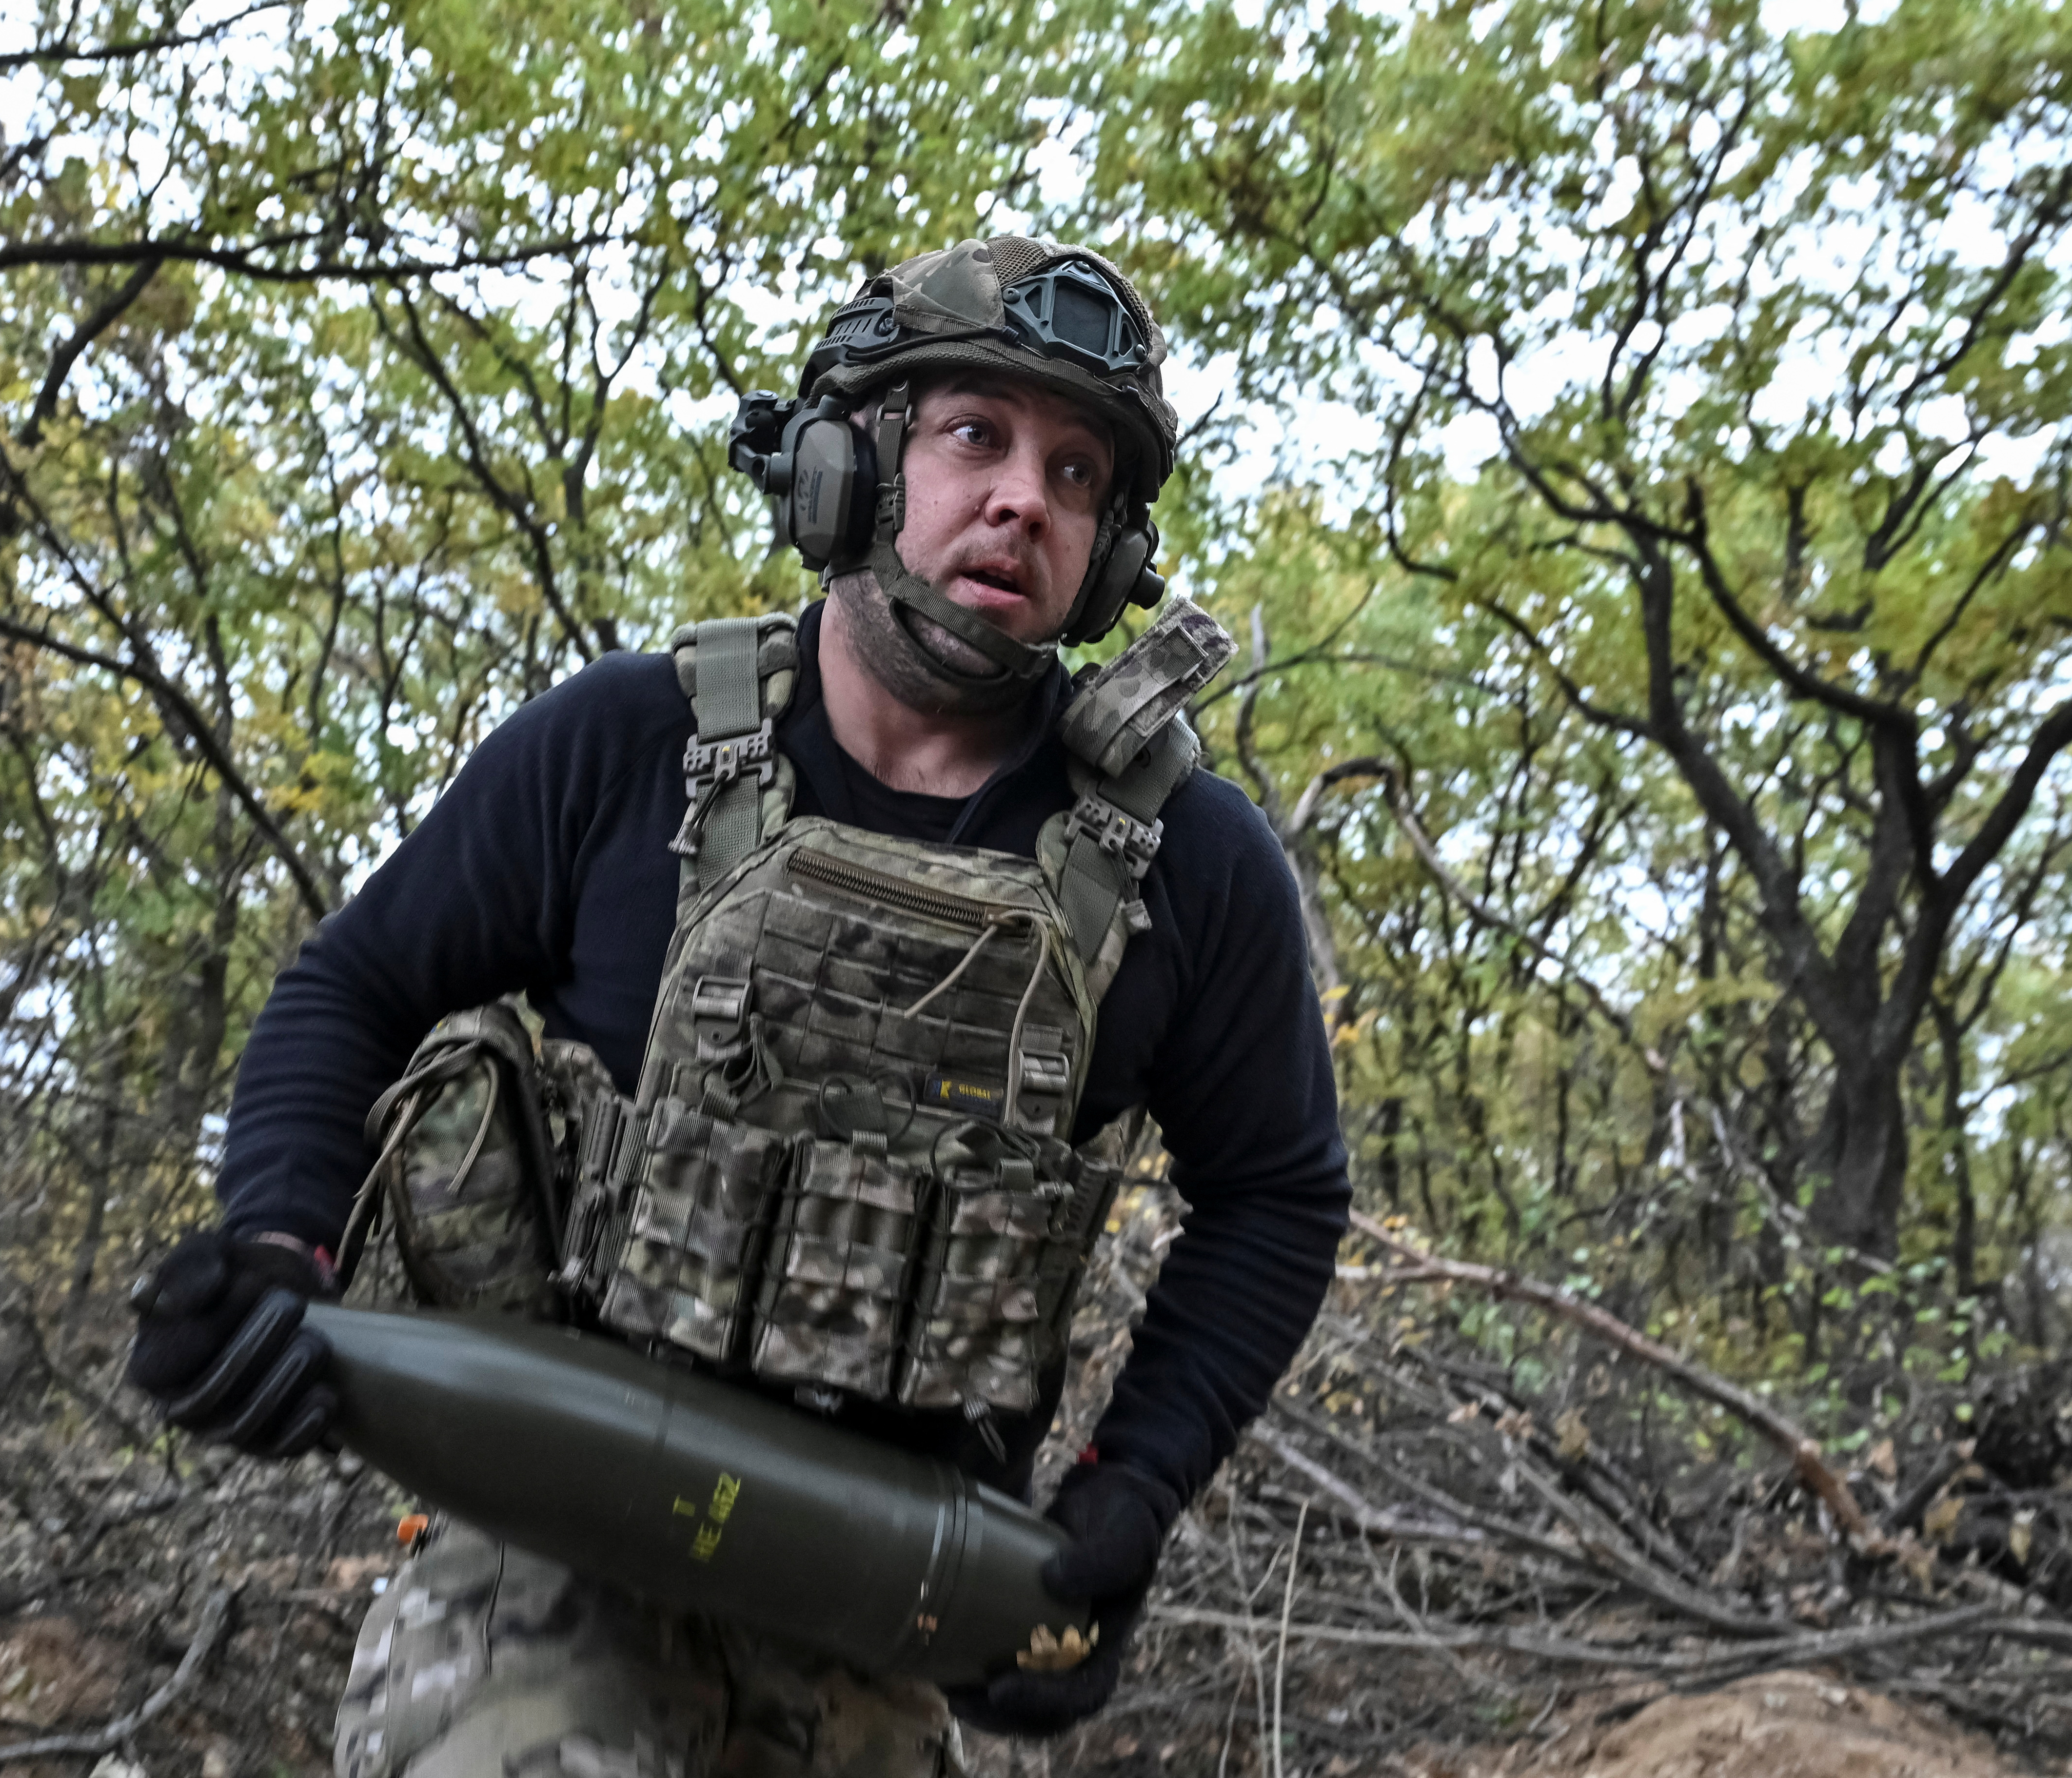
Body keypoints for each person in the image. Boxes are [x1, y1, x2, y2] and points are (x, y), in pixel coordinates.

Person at [126, 237, 1350, 1778]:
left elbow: (1280, 1195)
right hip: (548, 1539)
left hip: (886, 1579)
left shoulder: (1190, 862)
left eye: (1079, 472)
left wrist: (1131, 1489)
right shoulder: (625, 746)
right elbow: (354, 987)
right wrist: (271, 1252)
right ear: (849, 462)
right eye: (976, 434)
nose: (1026, 499)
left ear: (1108, 555)